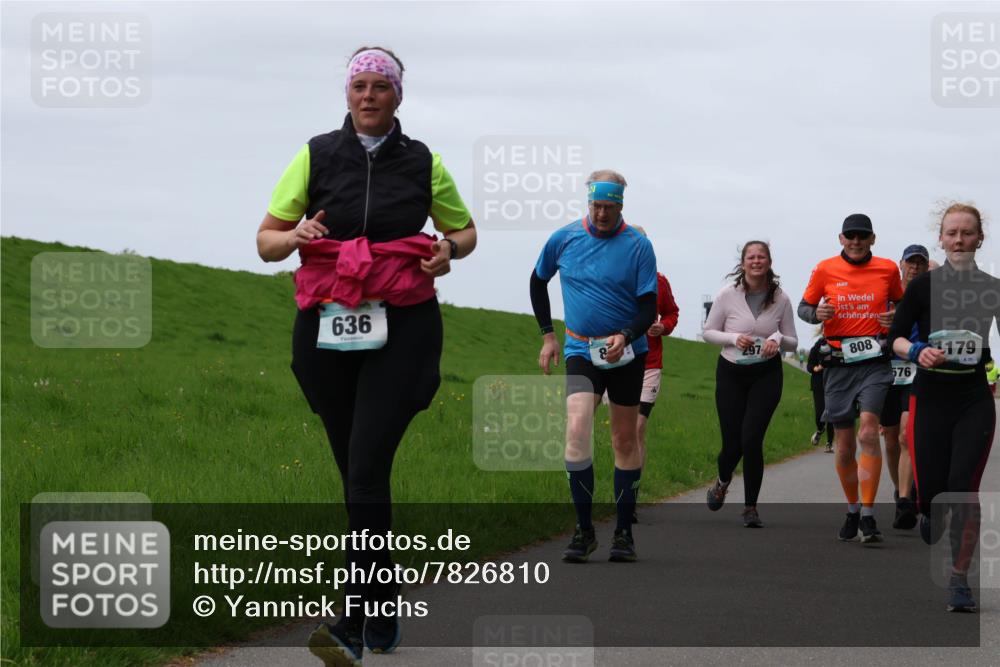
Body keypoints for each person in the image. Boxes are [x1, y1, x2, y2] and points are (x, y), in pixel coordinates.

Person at [257, 46, 477, 666]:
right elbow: (266, 242)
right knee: (359, 477)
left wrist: (447, 253)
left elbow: (464, 232)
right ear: (347, 94)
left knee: (365, 470)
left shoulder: (423, 162)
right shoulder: (315, 154)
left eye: (382, 85)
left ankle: (351, 622)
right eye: (360, 85)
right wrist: (293, 235)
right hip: (326, 328)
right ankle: (383, 610)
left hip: (403, 327)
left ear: (398, 95)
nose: (369, 95)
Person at [531, 170, 657, 563]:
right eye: (596, 206)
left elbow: (648, 305)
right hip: (581, 350)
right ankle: (584, 530)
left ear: (622, 205)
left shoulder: (638, 246)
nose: (602, 214)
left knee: (624, 440)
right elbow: (538, 282)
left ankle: (623, 532)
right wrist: (548, 335)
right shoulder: (564, 238)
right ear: (588, 203)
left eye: (610, 207)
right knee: (576, 429)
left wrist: (625, 333)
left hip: (625, 352)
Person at [889, 202, 996, 612]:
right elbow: (894, 338)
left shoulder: (992, 288)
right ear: (941, 238)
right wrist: (916, 350)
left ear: (979, 239)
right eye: (952, 232)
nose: (958, 240)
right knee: (934, 492)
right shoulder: (921, 288)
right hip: (929, 398)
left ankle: (959, 580)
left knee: (964, 490)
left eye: (967, 233)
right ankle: (927, 508)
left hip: (973, 400)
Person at [799, 214, 903, 544]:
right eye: (850, 236)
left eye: (862, 236)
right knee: (844, 447)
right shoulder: (825, 268)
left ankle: (870, 516)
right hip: (838, 364)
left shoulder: (888, 268)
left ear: (872, 238)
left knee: (869, 432)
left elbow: (902, 303)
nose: (856, 242)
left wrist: (896, 315)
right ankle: (853, 509)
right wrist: (817, 314)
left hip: (875, 362)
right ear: (841, 239)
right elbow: (804, 307)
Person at [702, 241, 798, 527]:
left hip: (766, 375)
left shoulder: (780, 298)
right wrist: (733, 339)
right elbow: (708, 332)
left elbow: (792, 341)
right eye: (751, 257)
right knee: (732, 444)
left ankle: (750, 508)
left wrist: (776, 340)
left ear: (769, 262)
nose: (756, 261)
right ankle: (722, 482)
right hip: (731, 372)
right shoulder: (727, 295)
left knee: (752, 439)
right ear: (742, 263)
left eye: (761, 257)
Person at [881, 244, 930, 530]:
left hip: (915, 372)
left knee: (904, 434)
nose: (914, 268)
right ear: (900, 264)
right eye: (910, 263)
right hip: (885, 370)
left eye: (919, 264)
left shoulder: (928, 295)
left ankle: (903, 501)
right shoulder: (886, 292)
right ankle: (903, 489)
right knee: (890, 438)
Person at [807, 335, 835, 453]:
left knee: (831, 414)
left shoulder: (839, 345)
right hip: (818, 384)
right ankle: (819, 430)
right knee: (820, 413)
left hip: (834, 383)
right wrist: (815, 368)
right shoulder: (817, 346)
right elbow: (809, 366)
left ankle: (829, 443)